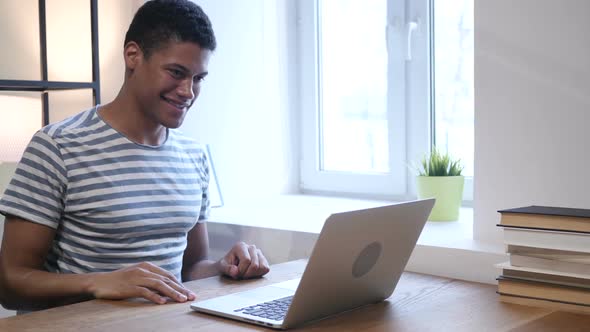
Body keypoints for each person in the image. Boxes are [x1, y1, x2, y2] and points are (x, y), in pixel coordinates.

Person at [0, 0, 269, 312]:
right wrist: (99, 282)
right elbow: (9, 284)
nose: (188, 91)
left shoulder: (194, 155)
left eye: (198, 78)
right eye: (176, 72)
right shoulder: (58, 147)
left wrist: (225, 268)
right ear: (133, 56)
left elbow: (189, 270)